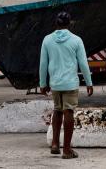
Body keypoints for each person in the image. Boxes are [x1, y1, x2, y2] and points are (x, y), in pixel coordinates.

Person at [39, 12, 94, 159]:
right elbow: (83, 63)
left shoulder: (47, 40)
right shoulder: (76, 40)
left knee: (57, 110)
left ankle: (55, 144)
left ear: (56, 24)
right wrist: (89, 82)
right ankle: (67, 150)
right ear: (70, 24)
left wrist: (42, 83)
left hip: (55, 84)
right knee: (68, 111)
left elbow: (43, 64)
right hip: (70, 83)